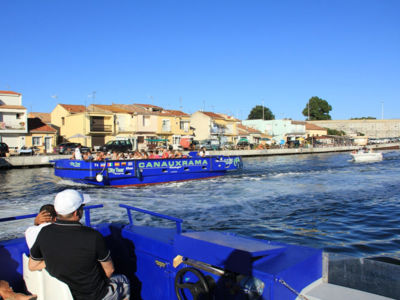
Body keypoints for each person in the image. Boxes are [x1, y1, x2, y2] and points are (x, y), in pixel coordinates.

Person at [29, 189, 130, 300]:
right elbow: (109, 270)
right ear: (77, 213)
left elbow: (32, 266)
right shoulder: (93, 236)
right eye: (82, 207)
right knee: (123, 281)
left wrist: (56, 259)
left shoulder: (44, 233)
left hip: (65, 295)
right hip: (94, 296)